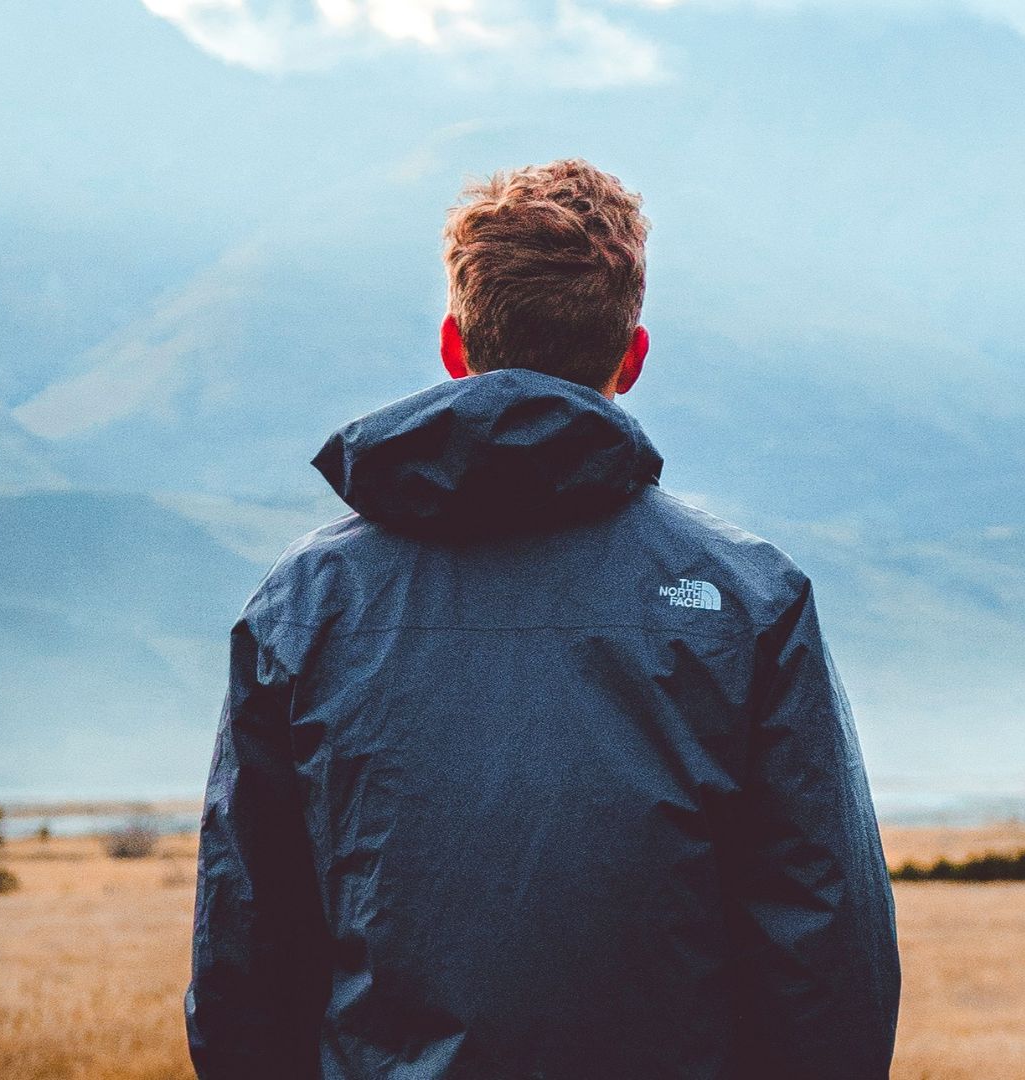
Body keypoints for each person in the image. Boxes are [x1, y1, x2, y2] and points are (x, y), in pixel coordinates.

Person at [186, 159, 900, 1079]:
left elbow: (245, 945)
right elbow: (827, 942)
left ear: (455, 349)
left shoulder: (305, 606)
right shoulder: (748, 600)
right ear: (632, 357)